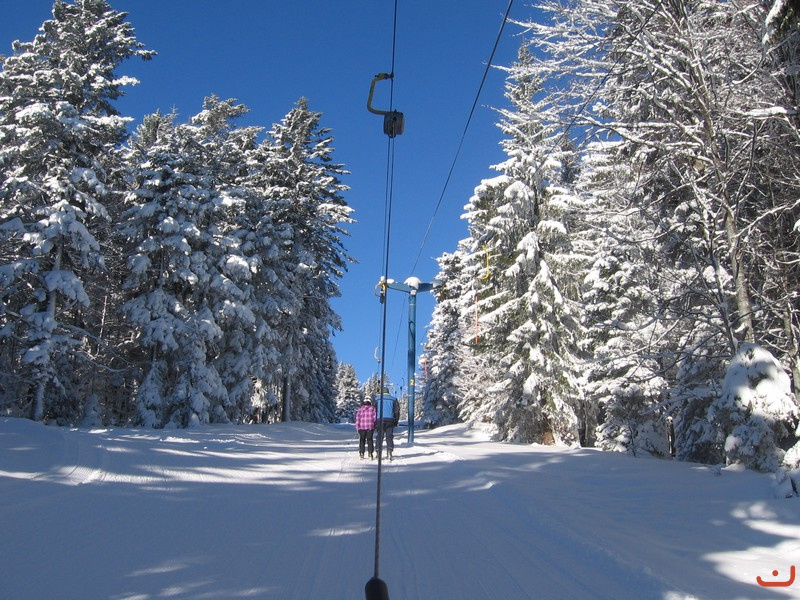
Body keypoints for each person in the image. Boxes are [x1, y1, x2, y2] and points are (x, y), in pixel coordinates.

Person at [373, 387, 398, 460]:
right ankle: (389, 451)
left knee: (379, 436)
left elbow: (374, 411)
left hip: (379, 419)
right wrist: (396, 421)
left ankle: (378, 452)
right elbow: (396, 411)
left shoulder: (377, 399)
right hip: (390, 420)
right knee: (389, 436)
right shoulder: (393, 399)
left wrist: (374, 422)